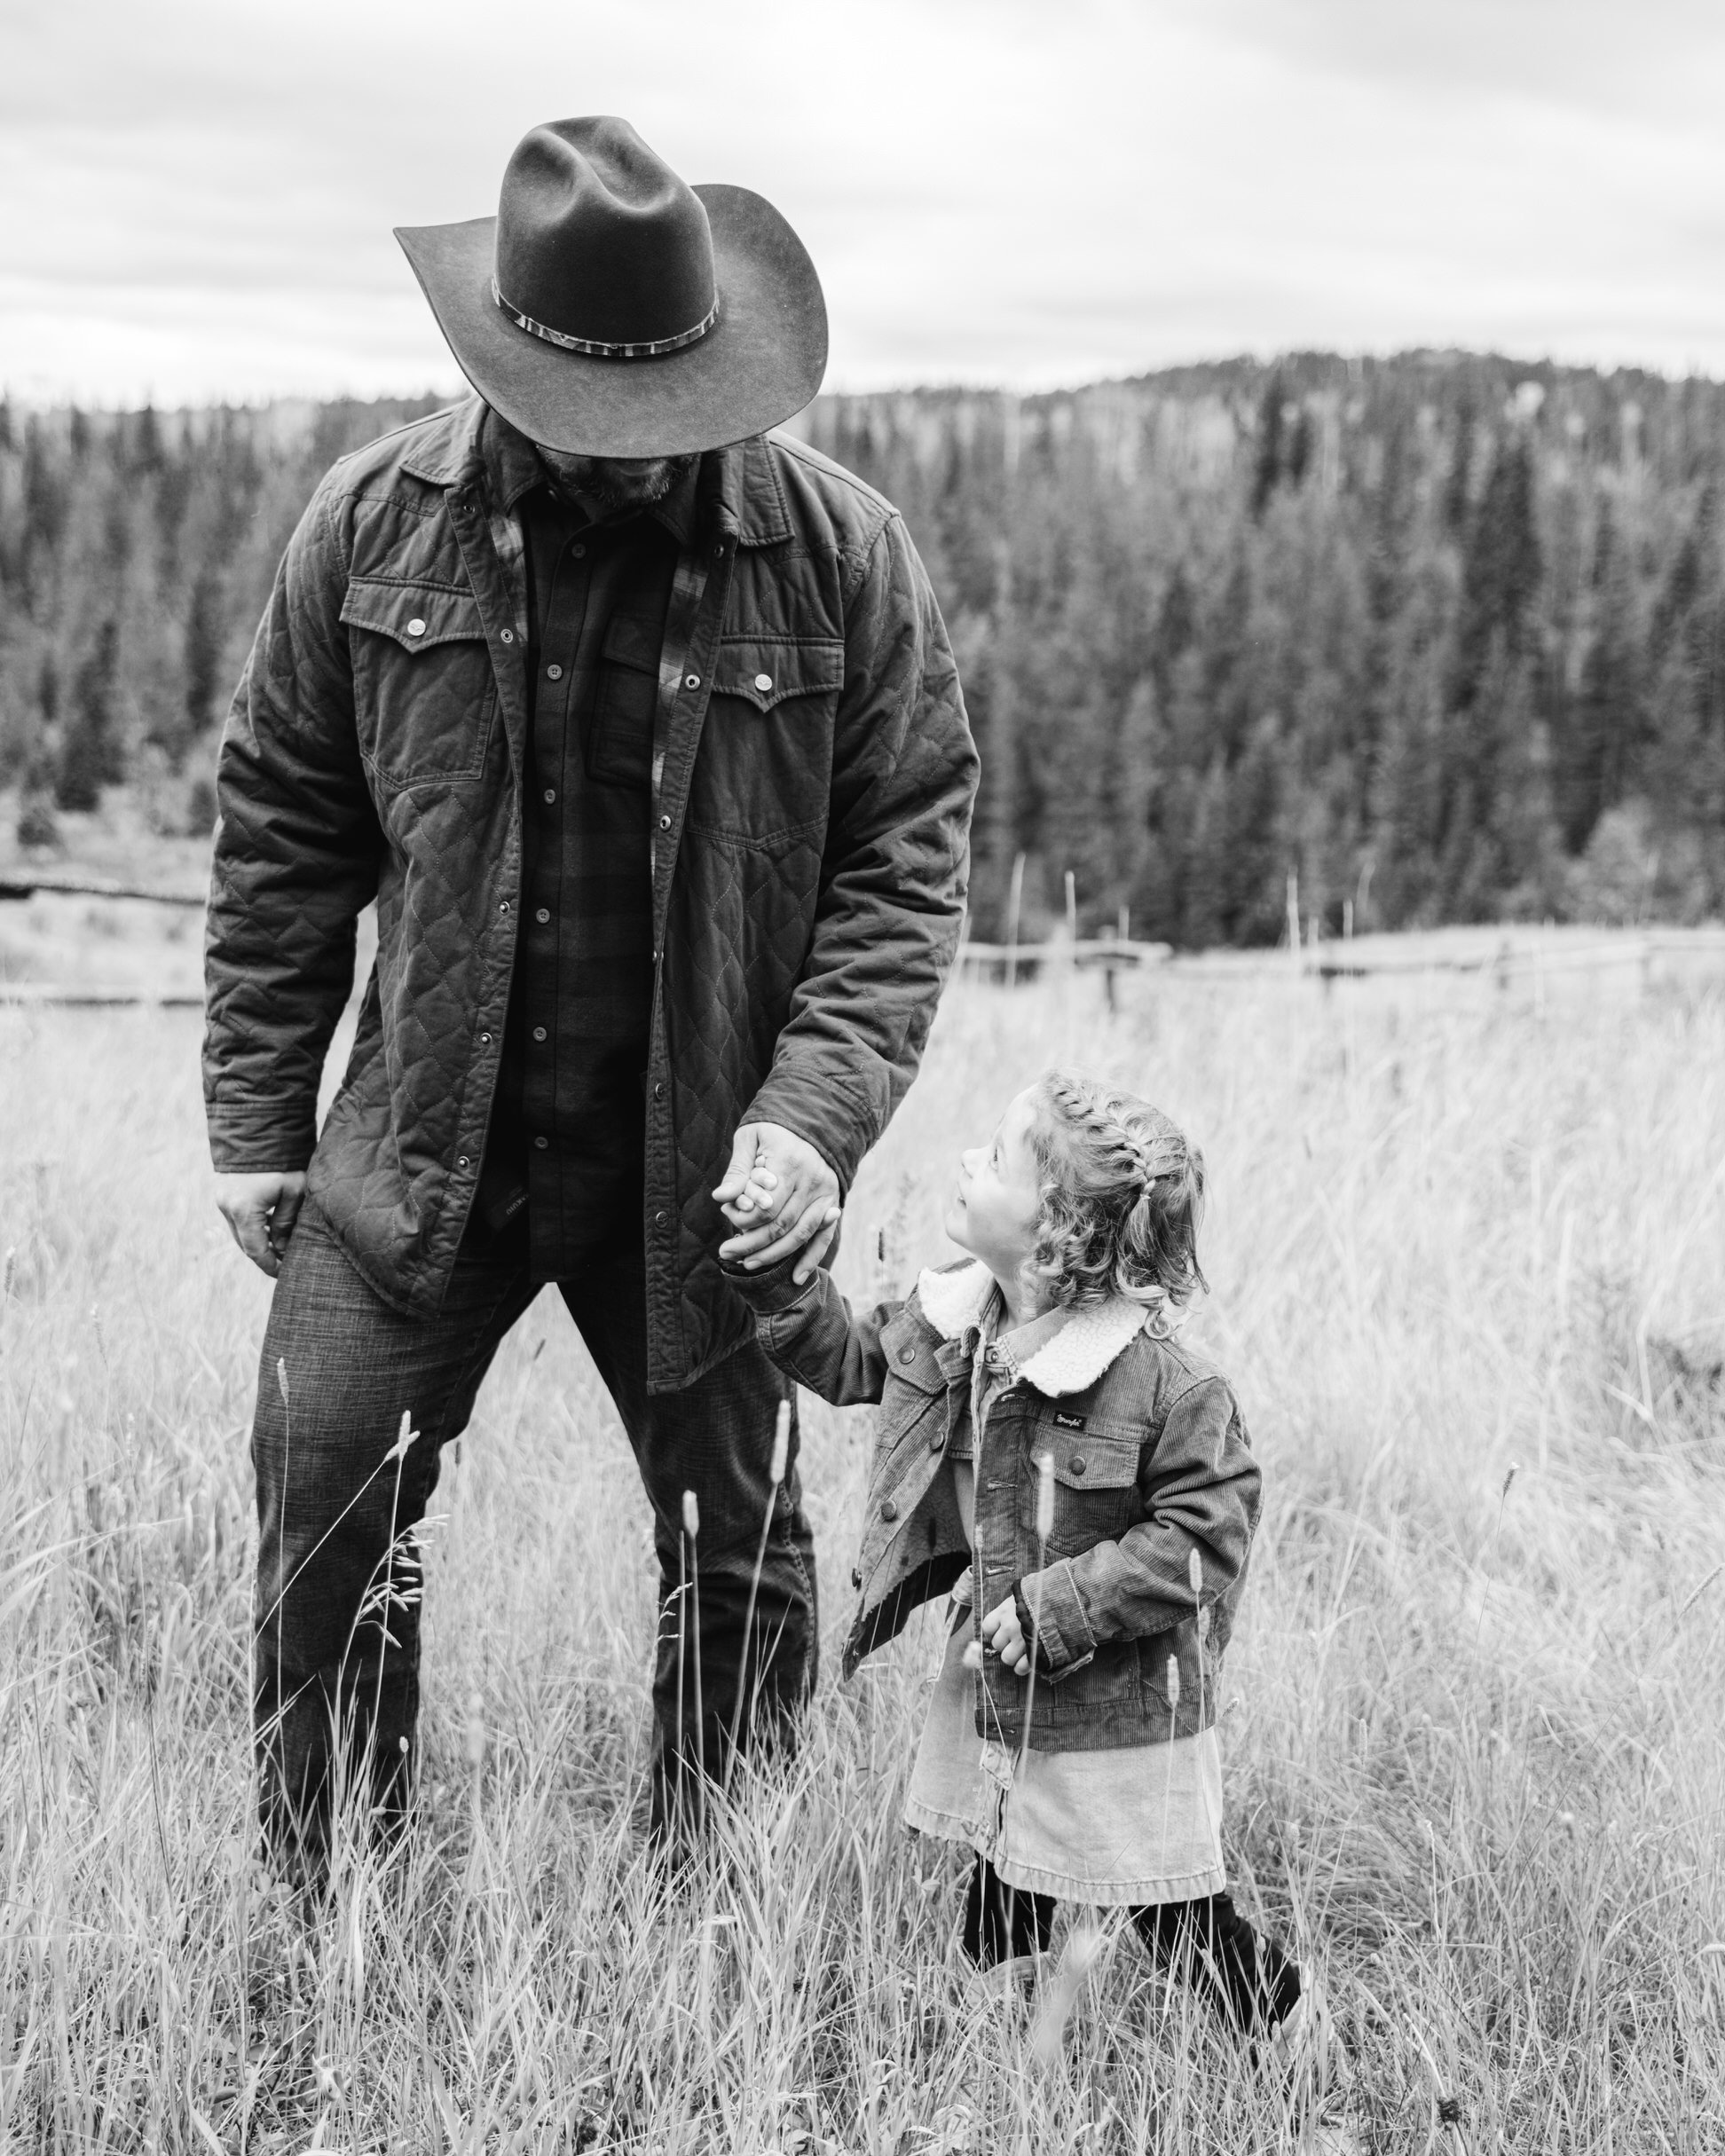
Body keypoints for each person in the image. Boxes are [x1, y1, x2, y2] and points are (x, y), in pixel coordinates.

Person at [202, 114, 978, 1875]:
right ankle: (341, 1907)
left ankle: (709, 1912)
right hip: (419, 1148)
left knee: (742, 1556)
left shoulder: (841, 556)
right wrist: (257, 1127)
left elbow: (902, 860)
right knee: (327, 1502)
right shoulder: (369, 525)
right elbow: (282, 838)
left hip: (708, 1160)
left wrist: (813, 1118)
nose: (639, 455)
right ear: (502, 357)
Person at [722, 1070, 1341, 2102]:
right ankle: (1005, 2066)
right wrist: (777, 1274)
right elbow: (842, 1355)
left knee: (1166, 1906)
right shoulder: (957, 1320)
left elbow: (1204, 1534)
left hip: (1115, 1707)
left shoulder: (1170, 1389)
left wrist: (1057, 1610)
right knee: (1003, 1859)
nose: (968, 1164)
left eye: (998, 1159)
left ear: (1057, 1229)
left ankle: (1286, 2031)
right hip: (1002, 1685)